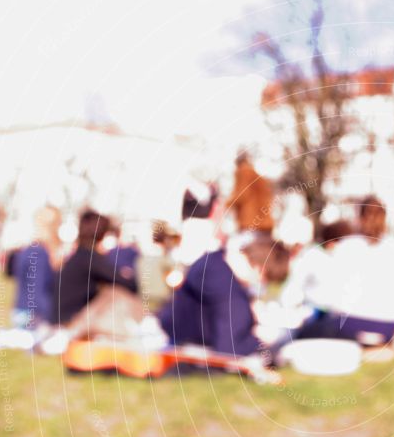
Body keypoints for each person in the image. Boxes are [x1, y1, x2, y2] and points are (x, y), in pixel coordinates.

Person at [295, 197, 394, 347]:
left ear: (359, 217)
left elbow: (331, 291)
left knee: (304, 332)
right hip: (388, 326)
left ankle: (367, 346)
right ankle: (386, 344)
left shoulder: (346, 246)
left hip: (349, 324)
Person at [158, 235, 289, 358]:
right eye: (266, 280)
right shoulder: (232, 297)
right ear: (260, 270)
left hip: (172, 333)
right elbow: (229, 351)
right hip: (187, 351)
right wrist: (261, 340)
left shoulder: (214, 259)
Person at [53, 210, 139, 326]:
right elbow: (129, 284)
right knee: (114, 295)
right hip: (69, 321)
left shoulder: (80, 255)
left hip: (61, 317)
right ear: (102, 234)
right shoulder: (90, 258)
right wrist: (126, 275)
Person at [11, 206, 62, 328]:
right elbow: (37, 291)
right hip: (34, 314)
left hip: (21, 310)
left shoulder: (27, 250)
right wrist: (49, 319)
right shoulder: (40, 253)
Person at [225, 153, 274, 235]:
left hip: (250, 222)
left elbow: (242, 194)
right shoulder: (256, 175)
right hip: (265, 223)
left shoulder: (244, 171)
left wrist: (227, 204)